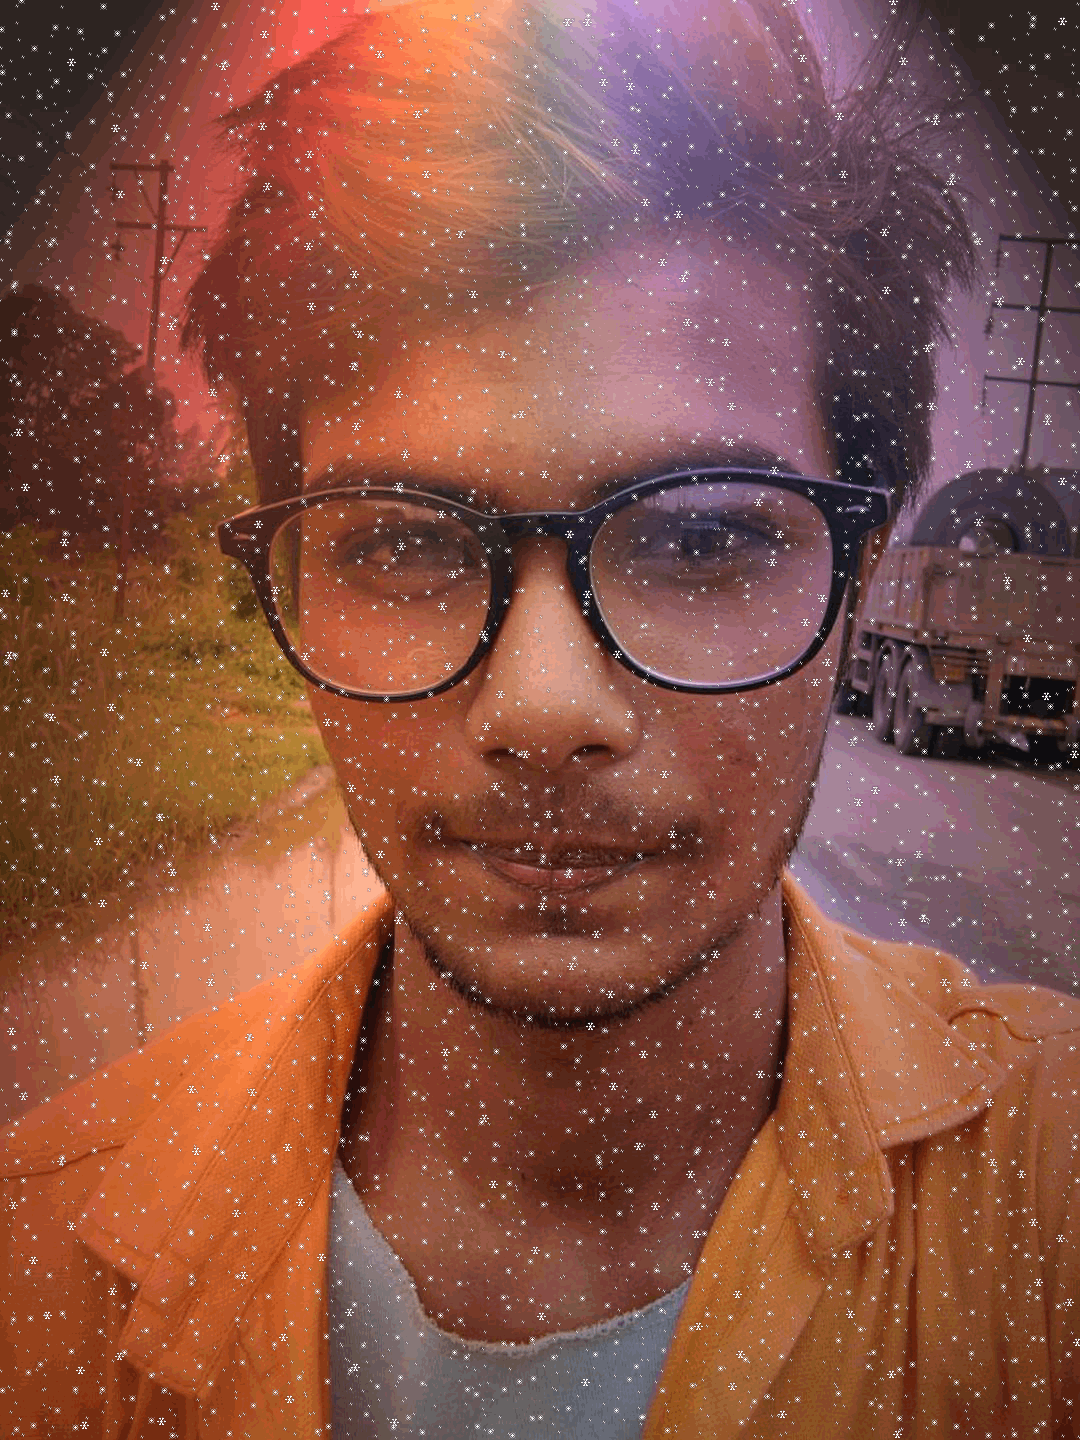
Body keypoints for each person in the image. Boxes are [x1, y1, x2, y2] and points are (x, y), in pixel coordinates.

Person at [3, 0, 1079, 1435]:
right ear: (289, 585)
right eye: (405, 542)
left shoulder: (1050, 1204)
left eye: (701, 538)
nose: (544, 708)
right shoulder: (37, 1261)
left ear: (862, 579)